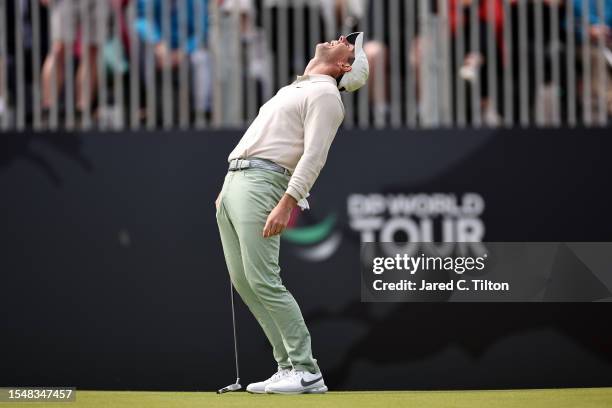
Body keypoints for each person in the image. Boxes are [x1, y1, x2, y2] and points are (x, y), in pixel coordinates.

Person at [214, 32, 369, 394]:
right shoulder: (294, 89)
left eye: (348, 43)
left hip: (265, 184)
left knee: (265, 280)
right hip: (237, 181)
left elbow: (314, 156)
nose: (340, 38)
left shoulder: (327, 95)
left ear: (345, 65)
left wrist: (289, 201)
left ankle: (306, 369)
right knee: (245, 282)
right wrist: (226, 187)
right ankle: (286, 367)